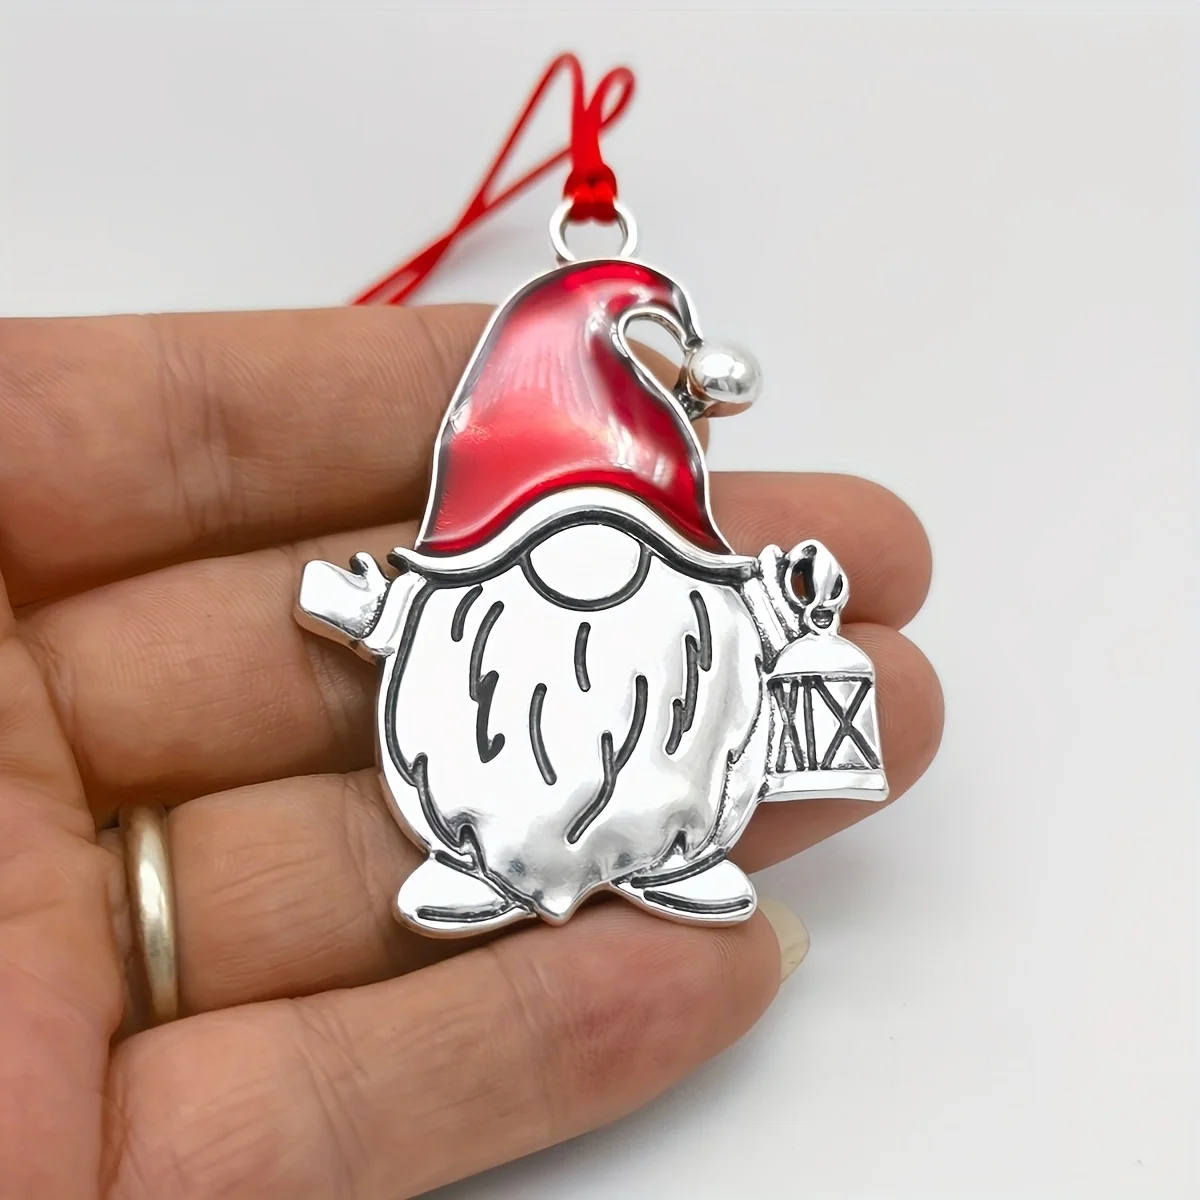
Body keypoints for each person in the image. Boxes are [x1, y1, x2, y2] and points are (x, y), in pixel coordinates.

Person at [0, 303, 942, 1198]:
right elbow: (394, 625)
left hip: (672, 807)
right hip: (484, 819)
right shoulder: (463, 602)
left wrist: (791, 602)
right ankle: (493, 862)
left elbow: (757, 621)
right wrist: (362, 613)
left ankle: (664, 856)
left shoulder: (699, 603)